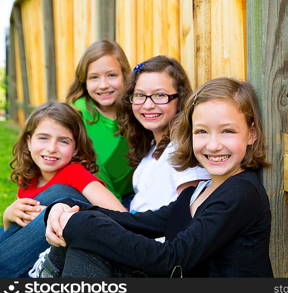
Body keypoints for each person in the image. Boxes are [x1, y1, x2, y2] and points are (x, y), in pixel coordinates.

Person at [42, 77, 273, 277]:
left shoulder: (242, 192)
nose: (213, 145)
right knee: (87, 243)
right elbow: (137, 223)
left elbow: (172, 260)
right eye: (201, 131)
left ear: (251, 134)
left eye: (228, 131)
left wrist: (83, 225)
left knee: (89, 239)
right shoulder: (198, 191)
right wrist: (69, 207)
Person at [0, 102, 126, 278]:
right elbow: (15, 235)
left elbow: (121, 215)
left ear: (75, 148)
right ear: (29, 142)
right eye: (43, 138)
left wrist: (61, 215)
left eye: (63, 141)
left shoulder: (75, 174)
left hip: (58, 254)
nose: (51, 148)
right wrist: (8, 215)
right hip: (27, 257)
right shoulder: (28, 177)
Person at [116, 55, 210, 212]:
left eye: (159, 95)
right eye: (140, 95)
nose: (148, 105)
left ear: (180, 99)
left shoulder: (182, 149)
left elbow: (187, 215)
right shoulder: (153, 146)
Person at [66, 39, 133, 201]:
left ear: (125, 76)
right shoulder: (77, 113)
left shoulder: (136, 111)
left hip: (130, 196)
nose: (103, 85)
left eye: (111, 75)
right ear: (84, 81)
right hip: (87, 198)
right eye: (94, 77)